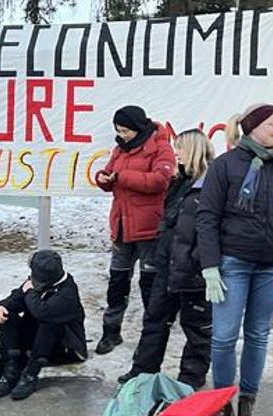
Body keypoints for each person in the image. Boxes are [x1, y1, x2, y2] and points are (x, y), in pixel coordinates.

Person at [196, 104, 273, 416]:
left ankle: (248, 398)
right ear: (253, 126)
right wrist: (210, 265)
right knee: (225, 336)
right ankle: (223, 399)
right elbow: (207, 217)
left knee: (258, 335)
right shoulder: (225, 165)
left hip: (271, 266)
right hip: (233, 264)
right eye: (272, 123)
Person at [117, 129, 214, 390]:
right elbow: (169, 224)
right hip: (168, 266)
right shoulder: (178, 182)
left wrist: (198, 260)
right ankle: (142, 372)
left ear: (193, 150)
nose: (176, 152)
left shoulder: (212, 185)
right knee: (155, 320)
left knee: (197, 330)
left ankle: (189, 382)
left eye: (180, 147)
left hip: (194, 270)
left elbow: (211, 229)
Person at [94, 105, 175, 355]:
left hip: (149, 228)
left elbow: (160, 181)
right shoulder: (120, 149)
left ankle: (151, 336)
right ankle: (111, 331)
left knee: (149, 284)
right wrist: (103, 178)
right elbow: (110, 174)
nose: (122, 134)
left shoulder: (161, 147)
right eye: (118, 130)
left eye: (125, 130)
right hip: (121, 225)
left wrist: (121, 176)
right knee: (117, 281)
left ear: (138, 127)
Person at [0, 250, 86, 401]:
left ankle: (31, 374)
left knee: (49, 323)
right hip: (36, 341)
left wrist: (29, 292)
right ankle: (11, 368)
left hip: (65, 347)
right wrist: (3, 306)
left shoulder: (68, 292)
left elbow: (41, 311)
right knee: (10, 316)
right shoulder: (36, 283)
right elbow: (17, 297)